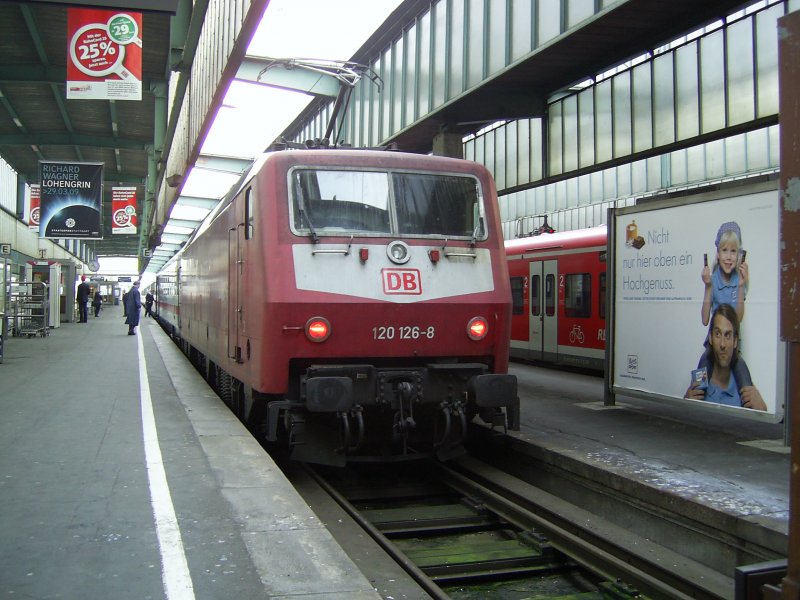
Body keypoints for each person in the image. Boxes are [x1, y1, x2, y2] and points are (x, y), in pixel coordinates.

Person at [697, 221, 753, 387]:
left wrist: (741, 286)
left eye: (733, 251)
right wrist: (708, 287)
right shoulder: (713, 280)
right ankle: (696, 402)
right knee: (701, 371)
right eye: (724, 251)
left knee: (744, 377)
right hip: (713, 343)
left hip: (733, 347)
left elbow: (739, 318)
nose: (729, 257)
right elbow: (705, 320)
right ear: (718, 254)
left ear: (739, 255)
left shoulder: (740, 281)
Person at [684, 303, 766, 411]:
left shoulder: (746, 388)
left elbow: (760, 422)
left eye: (727, 335)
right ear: (710, 338)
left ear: (735, 341)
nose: (722, 344)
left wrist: (762, 409)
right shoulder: (698, 384)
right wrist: (685, 403)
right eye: (718, 334)